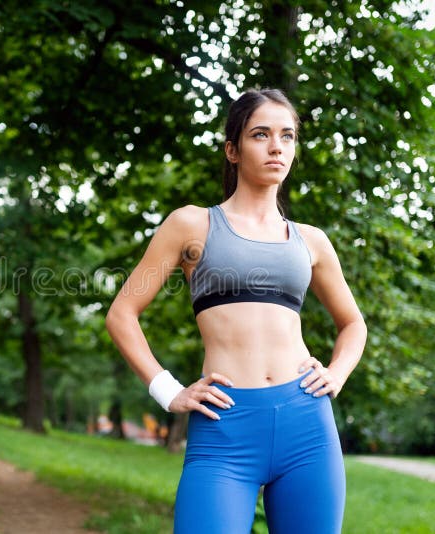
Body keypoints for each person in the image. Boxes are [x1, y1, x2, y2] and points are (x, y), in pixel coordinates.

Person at [105, 88, 367, 534]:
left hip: (307, 426)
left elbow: (353, 323)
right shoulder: (191, 225)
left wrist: (337, 373)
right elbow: (121, 313)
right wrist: (168, 391)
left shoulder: (311, 241)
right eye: (260, 135)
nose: (276, 146)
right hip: (223, 426)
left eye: (287, 136)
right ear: (233, 149)